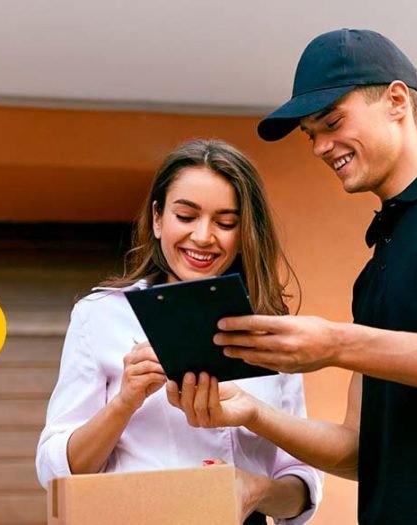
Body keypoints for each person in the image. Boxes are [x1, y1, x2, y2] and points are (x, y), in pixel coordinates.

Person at [168, 30, 417, 524]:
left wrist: (334, 344)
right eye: (311, 133)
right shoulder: (376, 267)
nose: (320, 147)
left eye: (331, 122)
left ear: (396, 100)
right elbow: (358, 449)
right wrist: (251, 411)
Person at [36, 139, 322, 525]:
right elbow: (54, 470)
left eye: (225, 222)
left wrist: (256, 491)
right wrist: (125, 400)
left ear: (245, 232)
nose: (203, 237)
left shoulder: (272, 332)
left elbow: (302, 487)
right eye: (186, 217)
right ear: (158, 218)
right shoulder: (100, 316)